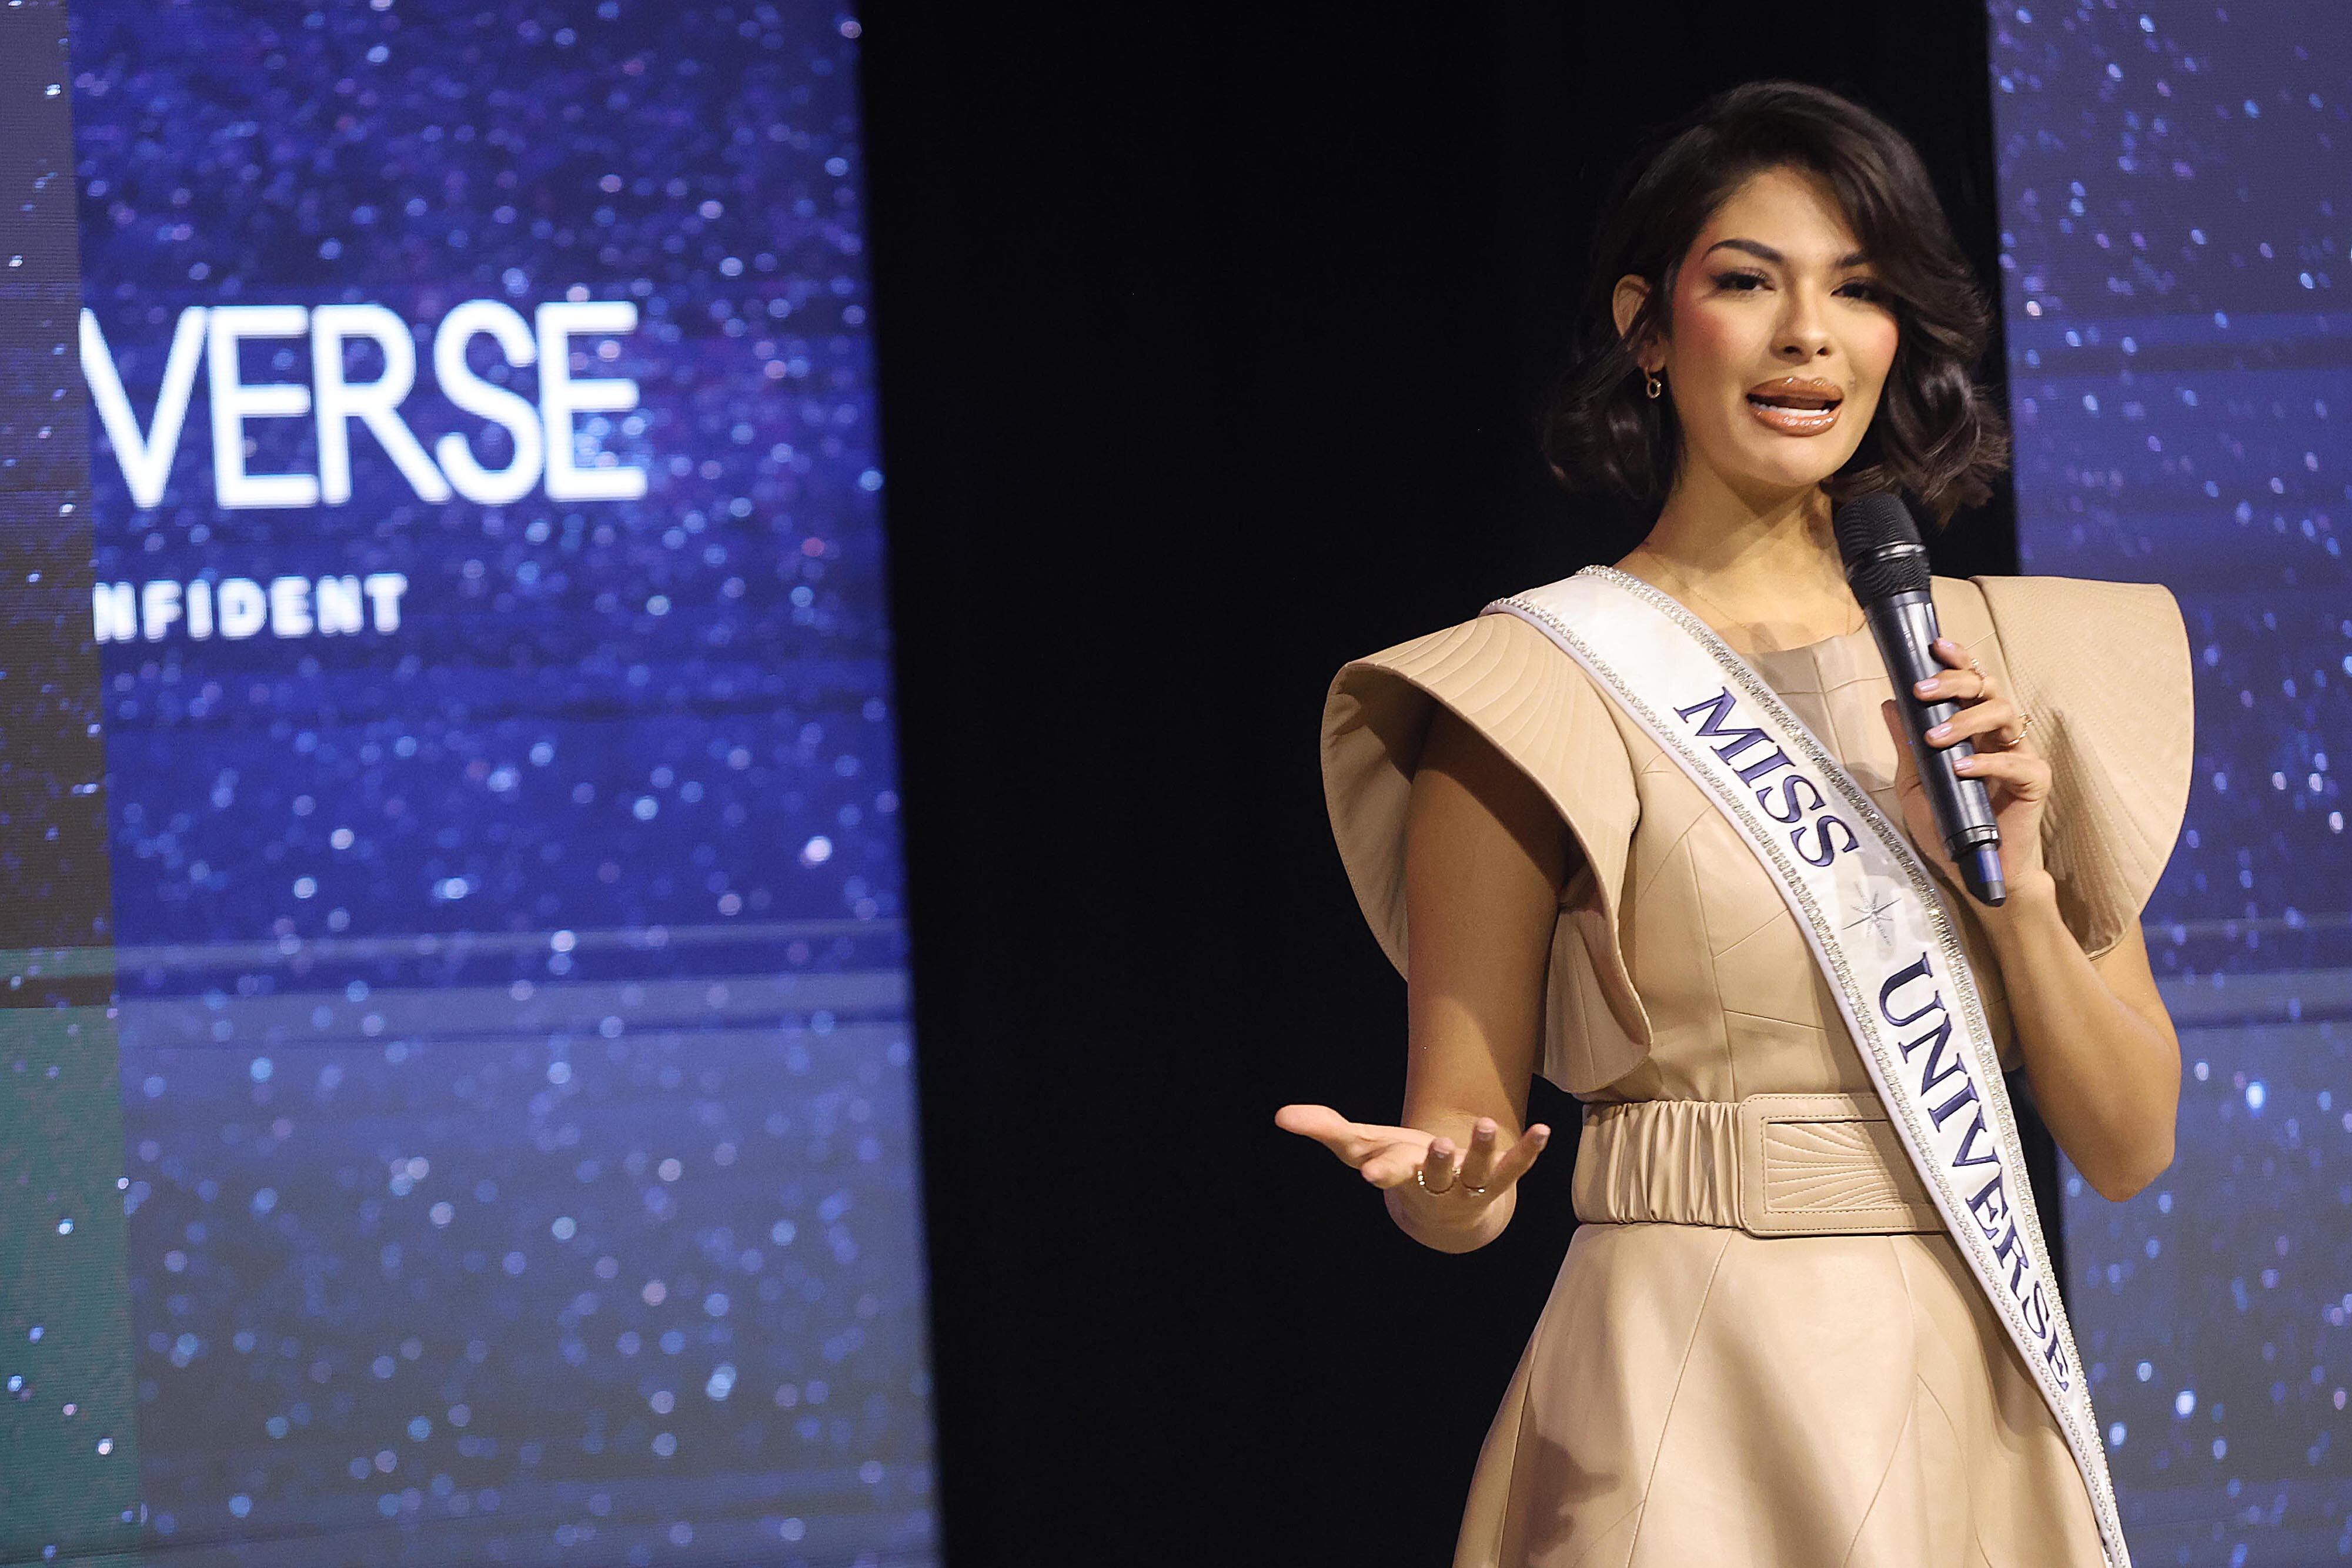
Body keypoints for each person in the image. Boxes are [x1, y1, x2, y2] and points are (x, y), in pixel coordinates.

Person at [1277, 81, 2190, 1566]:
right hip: (1682, 1374)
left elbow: (2129, 1142)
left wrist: (2016, 891)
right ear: (1647, 327)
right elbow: (1457, 1158)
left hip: (1968, 1372)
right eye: (1749, 282)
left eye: (1857, 288)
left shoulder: (2002, 667)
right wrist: (1452, 1190)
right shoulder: (1530, 685)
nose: (1806, 336)